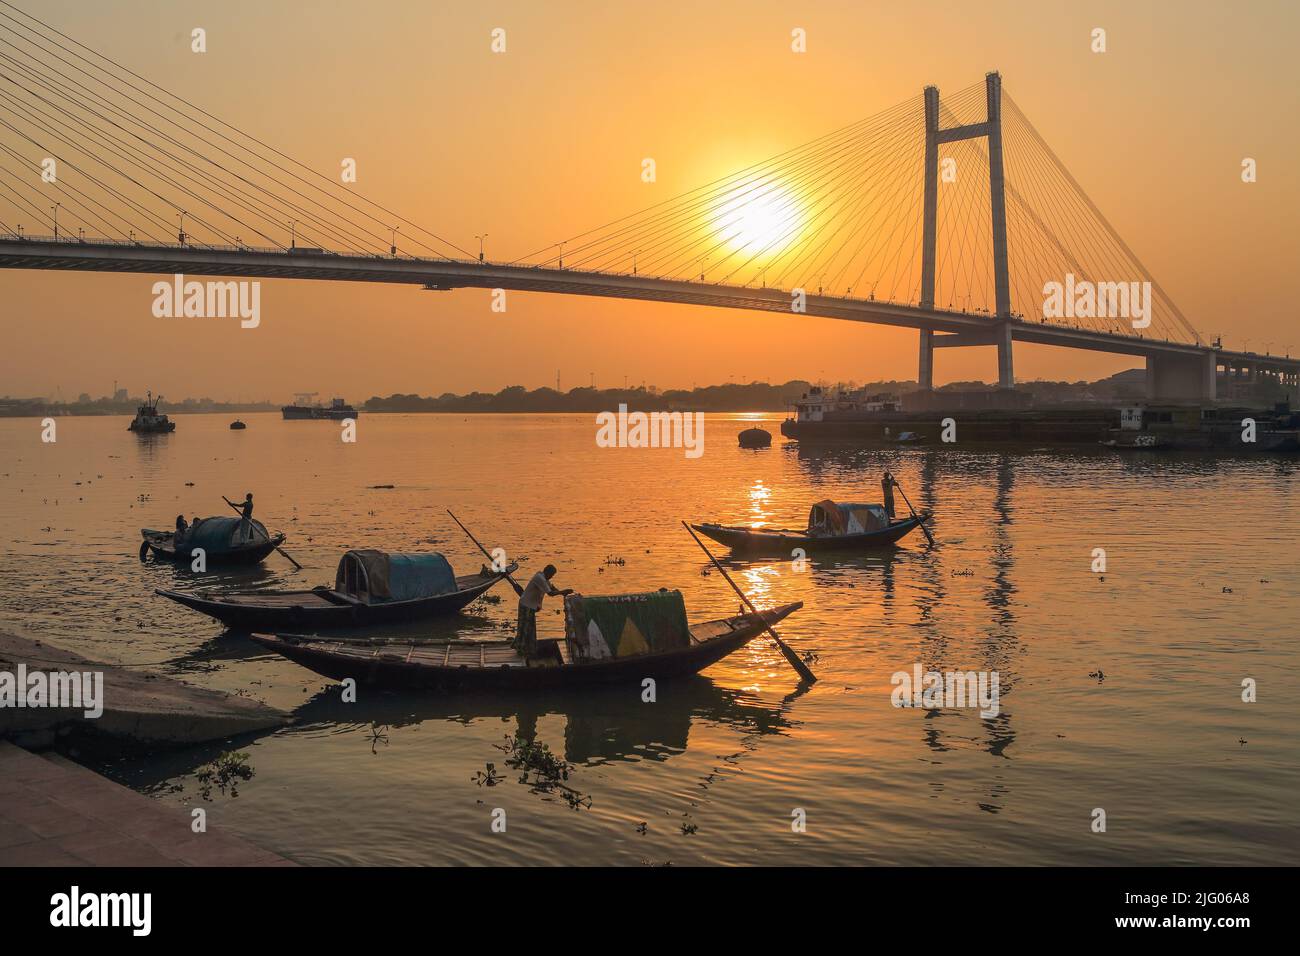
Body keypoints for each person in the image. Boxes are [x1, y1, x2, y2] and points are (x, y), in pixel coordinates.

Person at [514, 564, 573, 659]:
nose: (552, 577)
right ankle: (521, 649)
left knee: (530, 627)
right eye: (551, 575)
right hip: (526, 605)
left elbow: (552, 588)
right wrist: (562, 592)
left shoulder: (544, 577)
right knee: (525, 627)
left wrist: (562, 592)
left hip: (530, 606)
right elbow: (550, 593)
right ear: (547, 572)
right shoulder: (539, 578)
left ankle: (528, 648)